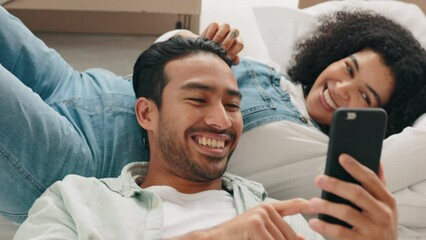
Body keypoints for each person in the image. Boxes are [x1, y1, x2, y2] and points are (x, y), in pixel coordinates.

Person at [0, 4, 425, 232]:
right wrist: (196, 48)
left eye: (365, 97)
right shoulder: (277, 78)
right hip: (81, 84)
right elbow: (161, 53)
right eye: (348, 68)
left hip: (79, 154)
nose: (342, 89)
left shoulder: (319, 162)